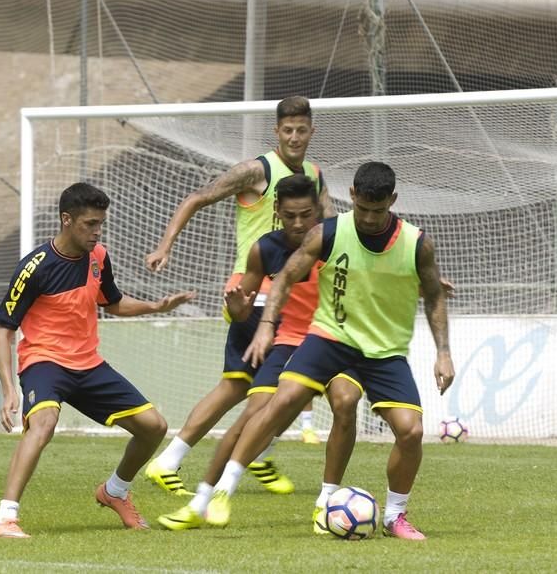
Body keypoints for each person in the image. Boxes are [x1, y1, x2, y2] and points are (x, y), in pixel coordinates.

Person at [202, 162, 455, 541]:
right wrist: (268, 326)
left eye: (379, 210)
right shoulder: (328, 233)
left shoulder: (417, 243)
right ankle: (225, 487)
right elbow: (286, 277)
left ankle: (395, 517)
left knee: (411, 431)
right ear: (351, 196)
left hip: (384, 352)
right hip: (330, 338)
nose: (369, 218)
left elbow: (434, 295)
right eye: (363, 208)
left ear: (393, 201)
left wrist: (444, 353)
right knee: (282, 399)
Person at [144, 96, 335, 496]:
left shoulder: (315, 176)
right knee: (293, 383)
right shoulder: (256, 171)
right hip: (256, 296)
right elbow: (198, 197)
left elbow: (333, 231)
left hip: (292, 297)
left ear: (312, 131)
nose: (295, 137)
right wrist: (165, 246)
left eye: (302, 130)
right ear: (276, 132)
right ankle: (253, 451)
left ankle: (172, 460)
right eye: (288, 130)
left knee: (237, 387)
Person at [0, 182, 195, 538]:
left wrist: (154, 306)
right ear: (66, 220)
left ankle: (114, 491)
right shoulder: (35, 267)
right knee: (44, 424)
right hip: (44, 361)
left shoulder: (98, 255)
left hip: (88, 364)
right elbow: (4, 330)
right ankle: (5, 518)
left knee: (154, 426)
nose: (96, 231)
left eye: (100, 223)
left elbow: (111, 301)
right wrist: (9, 390)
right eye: (89, 224)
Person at [156, 175, 362, 530]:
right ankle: (202, 501)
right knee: (252, 414)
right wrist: (239, 308)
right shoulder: (264, 249)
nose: (299, 223)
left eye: (307, 215)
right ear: (277, 212)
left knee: (345, 402)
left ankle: (325, 501)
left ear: (318, 211)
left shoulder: (339, 238)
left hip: (340, 340)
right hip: (292, 339)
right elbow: (242, 310)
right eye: (291, 215)